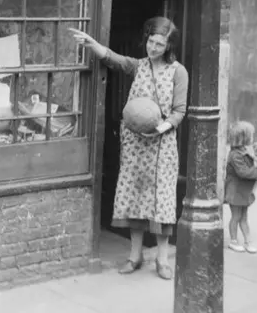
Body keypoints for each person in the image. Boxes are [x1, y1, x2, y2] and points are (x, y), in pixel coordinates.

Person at [70, 16, 189, 280]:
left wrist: (161, 127)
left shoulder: (178, 72)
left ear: (169, 46)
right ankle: (134, 257)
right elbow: (113, 58)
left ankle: (162, 259)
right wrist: (92, 44)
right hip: (135, 145)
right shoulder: (139, 66)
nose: (153, 48)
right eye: (151, 41)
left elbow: (180, 110)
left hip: (161, 146)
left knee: (161, 202)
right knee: (134, 198)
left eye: (160, 44)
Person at [224, 121, 257, 254]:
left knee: (243, 217)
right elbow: (242, 172)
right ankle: (233, 241)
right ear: (244, 138)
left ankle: (248, 241)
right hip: (236, 191)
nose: (252, 137)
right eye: (251, 135)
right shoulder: (235, 155)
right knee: (236, 216)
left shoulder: (243, 151)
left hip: (243, 191)